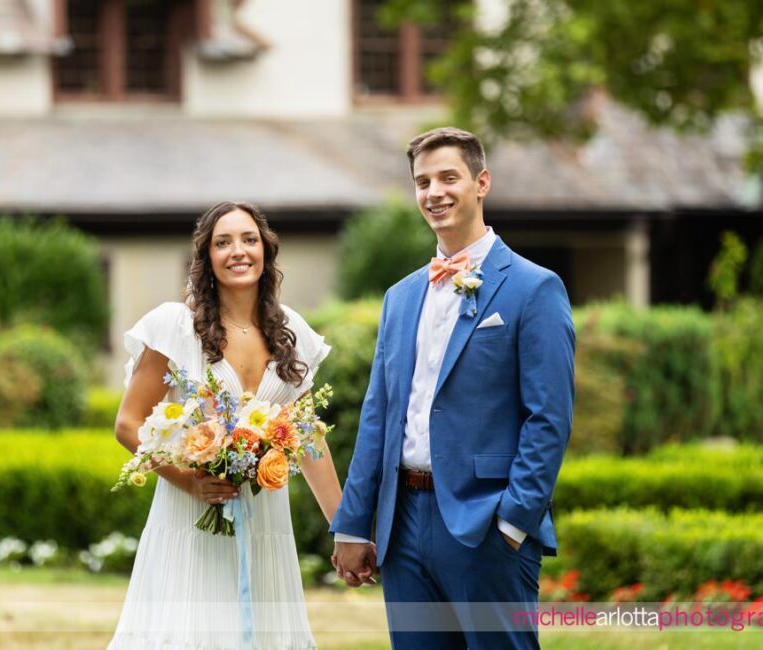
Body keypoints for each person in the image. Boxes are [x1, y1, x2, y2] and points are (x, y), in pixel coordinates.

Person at [330, 127, 575, 650]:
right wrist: (353, 525)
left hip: (486, 525)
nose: (434, 192)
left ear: (481, 182)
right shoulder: (400, 297)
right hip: (403, 527)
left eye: (448, 177)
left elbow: (548, 418)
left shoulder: (535, 288)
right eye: (422, 182)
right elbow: (379, 415)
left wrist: (512, 522)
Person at [108, 201, 341, 649]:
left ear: (266, 251)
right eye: (223, 242)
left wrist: (344, 530)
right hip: (190, 518)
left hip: (266, 522)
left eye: (249, 239)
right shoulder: (174, 326)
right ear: (207, 258)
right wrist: (190, 480)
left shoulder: (291, 331)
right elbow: (128, 424)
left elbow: (309, 436)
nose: (239, 251)